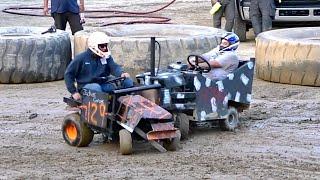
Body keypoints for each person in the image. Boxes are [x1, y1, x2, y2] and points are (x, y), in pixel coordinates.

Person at [64, 32, 134, 100]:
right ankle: (102, 103)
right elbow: (68, 74)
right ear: (94, 46)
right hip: (86, 86)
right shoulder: (81, 58)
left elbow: (114, 67)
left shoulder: (106, 56)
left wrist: (121, 73)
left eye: (105, 45)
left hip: (104, 83)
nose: (104, 48)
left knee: (128, 81)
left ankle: (127, 100)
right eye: (102, 46)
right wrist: (74, 92)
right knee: (96, 88)